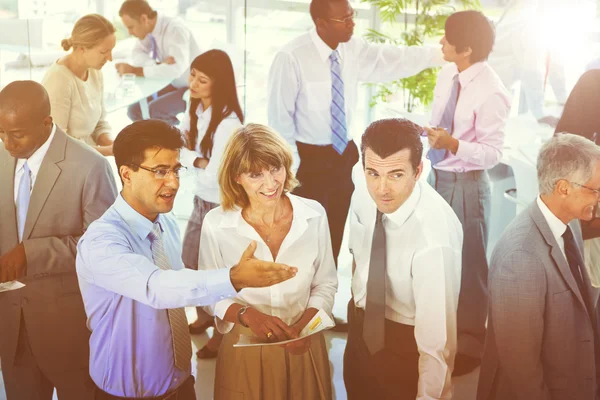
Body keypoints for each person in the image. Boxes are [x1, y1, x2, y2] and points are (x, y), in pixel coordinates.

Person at [76, 119, 298, 400]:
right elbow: (157, 288)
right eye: (160, 171)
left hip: (181, 384)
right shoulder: (102, 242)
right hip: (127, 395)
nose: (173, 182)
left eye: (176, 170)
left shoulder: (164, 224)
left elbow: (185, 288)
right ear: (126, 174)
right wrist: (234, 277)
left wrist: (245, 314)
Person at [268, 0, 444, 265]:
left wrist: (437, 55)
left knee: (337, 228)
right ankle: (299, 294)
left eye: (352, 16)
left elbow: (391, 59)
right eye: (345, 19)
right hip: (307, 158)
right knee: (304, 234)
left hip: (344, 154)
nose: (352, 23)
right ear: (321, 24)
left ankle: (324, 294)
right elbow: (280, 119)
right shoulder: (291, 56)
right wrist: (290, 168)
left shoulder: (352, 48)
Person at [199, 123, 338, 400]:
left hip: (305, 343)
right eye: (255, 174)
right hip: (244, 347)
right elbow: (208, 292)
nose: (271, 183)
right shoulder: (216, 224)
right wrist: (248, 316)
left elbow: (326, 283)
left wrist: (305, 327)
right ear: (236, 177)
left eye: (276, 169)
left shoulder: (314, 215)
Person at [0, 81, 117, 399]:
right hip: (11, 329)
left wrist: (32, 253)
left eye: (17, 134)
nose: (7, 143)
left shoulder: (90, 167)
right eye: (1, 132)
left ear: (46, 123)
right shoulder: (2, 152)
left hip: (69, 330)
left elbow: (105, 248)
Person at [343, 118, 462, 400]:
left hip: (405, 343)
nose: (382, 189)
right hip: (359, 328)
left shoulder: (435, 237)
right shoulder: (363, 180)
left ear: (418, 170)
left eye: (396, 175)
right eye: (373, 173)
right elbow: (358, 253)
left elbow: (437, 344)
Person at [477, 133, 600, 400]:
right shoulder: (521, 258)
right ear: (564, 188)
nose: (598, 198)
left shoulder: (570, 223)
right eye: (594, 189)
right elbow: (522, 370)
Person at [424, 10, 511, 376]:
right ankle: (440, 337)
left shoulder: (492, 91)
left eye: (446, 39)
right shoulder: (449, 73)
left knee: (471, 265)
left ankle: (472, 346)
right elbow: (440, 119)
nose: (440, 44)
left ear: (467, 49)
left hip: (468, 186)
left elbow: (493, 154)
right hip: (439, 180)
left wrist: (454, 143)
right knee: (438, 260)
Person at [179, 49, 244, 358]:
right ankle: (204, 316)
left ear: (218, 85)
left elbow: (216, 169)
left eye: (202, 80)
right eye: (192, 75)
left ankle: (220, 334)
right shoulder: (199, 110)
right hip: (201, 200)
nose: (192, 83)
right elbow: (199, 157)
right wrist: (196, 158)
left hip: (221, 205)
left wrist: (186, 156)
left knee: (217, 275)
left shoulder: (229, 124)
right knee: (190, 263)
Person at [117, 0, 203, 125]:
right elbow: (136, 54)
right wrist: (158, 65)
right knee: (134, 110)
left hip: (192, 87)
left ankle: (177, 137)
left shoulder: (175, 29)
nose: (130, 32)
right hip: (172, 82)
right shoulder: (148, 31)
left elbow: (176, 70)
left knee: (155, 110)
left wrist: (137, 71)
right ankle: (155, 138)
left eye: (131, 27)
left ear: (144, 18)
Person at [41, 14, 116, 156]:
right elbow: (57, 144)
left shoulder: (95, 71)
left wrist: (115, 145)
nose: (110, 58)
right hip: (67, 163)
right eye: (104, 52)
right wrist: (108, 151)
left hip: (91, 158)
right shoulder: (59, 80)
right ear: (82, 48)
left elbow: (99, 123)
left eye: (111, 50)